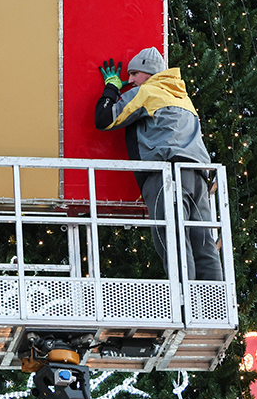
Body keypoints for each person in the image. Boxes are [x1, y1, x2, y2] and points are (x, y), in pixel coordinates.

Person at [94, 47, 223, 281]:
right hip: (198, 177)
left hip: (167, 176)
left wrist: (111, 88)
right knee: (203, 243)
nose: (129, 80)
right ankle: (212, 308)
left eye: (134, 73)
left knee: (172, 239)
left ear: (149, 73)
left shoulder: (147, 91)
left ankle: (185, 308)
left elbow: (104, 119)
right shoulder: (182, 96)